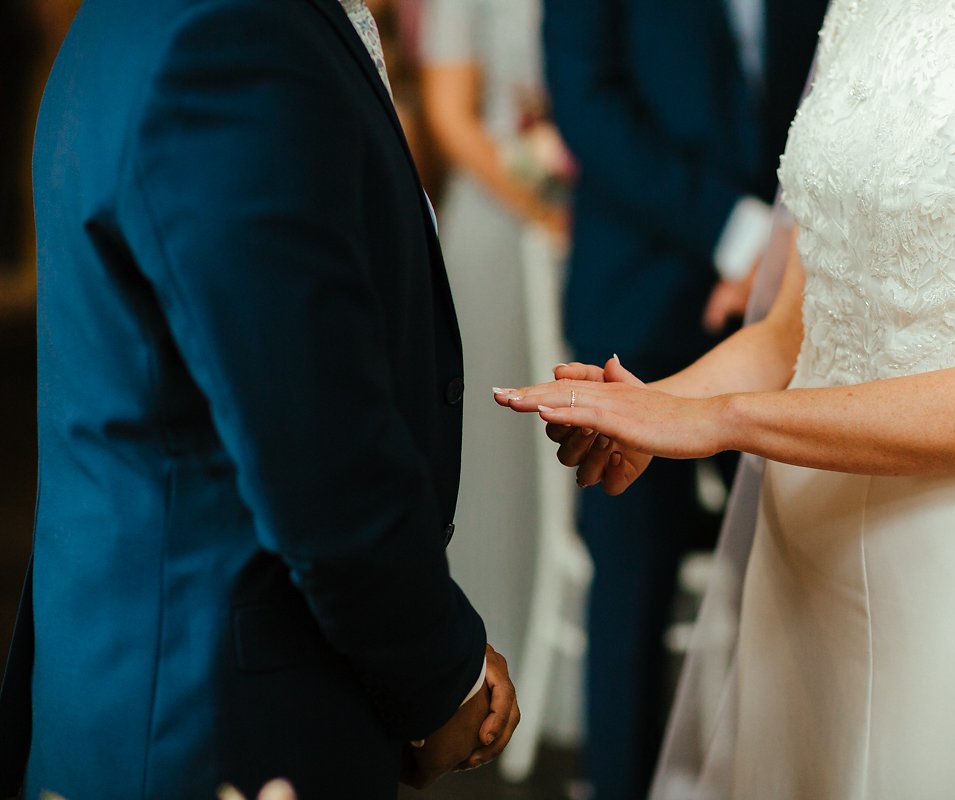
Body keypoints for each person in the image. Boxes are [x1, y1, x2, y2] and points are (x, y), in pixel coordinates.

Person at [500, 0, 955, 796]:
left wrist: (719, 420)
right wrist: (649, 411)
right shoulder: (862, 8)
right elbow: (793, 329)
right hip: (800, 579)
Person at [0, 0, 519, 797]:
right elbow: (316, 445)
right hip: (214, 707)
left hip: (156, 663)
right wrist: (442, 676)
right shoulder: (229, 34)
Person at [537, 3, 827, 797]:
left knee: (803, 559)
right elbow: (587, 104)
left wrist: (784, 256)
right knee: (631, 578)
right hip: (640, 298)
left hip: (794, 311)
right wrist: (739, 234)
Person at [419, 0, 571, 669]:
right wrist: (539, 206)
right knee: (493, 438)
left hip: (591, 214)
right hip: (498, 216)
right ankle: (479, 652)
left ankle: (564, 660)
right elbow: (450, 115)